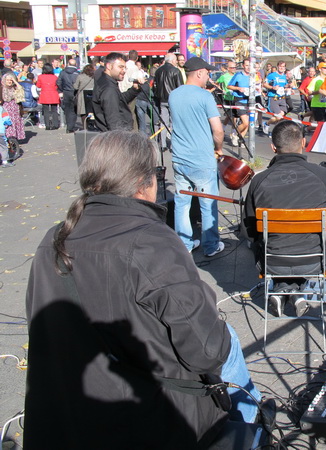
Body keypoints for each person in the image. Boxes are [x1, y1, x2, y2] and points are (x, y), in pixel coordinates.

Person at [24, 130, 265, 449]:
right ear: (143, 182)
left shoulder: (54, 239)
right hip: (149, 417)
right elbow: (208, 351)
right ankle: (252, 425)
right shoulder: (151, 242)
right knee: (227, 339)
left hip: (67, 416)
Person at [243, 121, 326, 317]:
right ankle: (296, 292)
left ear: (273, 147)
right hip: (314, 261)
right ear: (303, 142)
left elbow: (249, 233)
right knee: (308, 241)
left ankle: (281, 290)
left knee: (267, 243)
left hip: (272, 262)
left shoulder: (259, 180)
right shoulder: (323, 175)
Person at [169, 57, 225, 256]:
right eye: (207, 73)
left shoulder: (173, 95)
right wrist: (219, 148)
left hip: (179, 157)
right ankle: (211, 246)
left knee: (182, 204)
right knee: (208, 204)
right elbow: (218, 130)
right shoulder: (205, 96)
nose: (208, 77)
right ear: (199, 73)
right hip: (201, 159)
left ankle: (184, 244)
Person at [92, 52, 146, 132]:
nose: (124, 71)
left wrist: (134, 89)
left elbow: (120, 100)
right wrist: (120, 137)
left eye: (125, 68)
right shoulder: (108, 88)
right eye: (120, 67)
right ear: (109, 66)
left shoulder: (107, 82)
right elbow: (113, 120)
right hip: (116, 135)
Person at [153, 53, 184, 149]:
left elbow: (155, 86)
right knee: (174, 123)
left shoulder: (158, 71)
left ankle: (163, 144)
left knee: (163, 122)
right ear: (173, 60)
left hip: (162, 99)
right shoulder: (176, 71)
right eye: (176, 60)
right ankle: (173, 145)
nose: (176, 62)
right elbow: (180, 87)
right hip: (173, 99)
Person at [263, 60, 289, 134]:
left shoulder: (285, 76)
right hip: (273, 97)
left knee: (281, 116)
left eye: (283, 66)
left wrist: (288, 88)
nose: (282, 68)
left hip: (282, 98)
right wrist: (272, 87)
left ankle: (275, 131)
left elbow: (286, 85)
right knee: (278, 117)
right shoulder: (272, 75)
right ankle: (267, 124)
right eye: (280, 66)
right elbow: (264, 84)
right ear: (277, 67)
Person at [57, 58, 80, 133]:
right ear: (76, 64)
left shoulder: (63, 72)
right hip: (75, 92)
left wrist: (61, 90)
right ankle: (71, 126)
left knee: (67, 109)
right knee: (74, 109)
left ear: (68, 64)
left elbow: (58, 82)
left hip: (66, 92)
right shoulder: (77, 73)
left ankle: (69, 126)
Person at [1, 72, 25, 140]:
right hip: (6, 107)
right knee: (9, 122)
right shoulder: (2, 88)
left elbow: (21, 89)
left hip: (15, 106)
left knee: (16, 121)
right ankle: (10, 137)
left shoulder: (14, 87)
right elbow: (4, 98)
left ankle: (16, 137)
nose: (9, 82)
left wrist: (15, 81)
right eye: (7, 80)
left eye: (10, 80)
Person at [35, 63, 60, 130]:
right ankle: (55, 124)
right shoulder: (55, 77)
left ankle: (47, 125)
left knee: (46, 111)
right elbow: (57, 86)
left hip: (45, 94)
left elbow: (38, 85)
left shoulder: (40, 77)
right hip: (53, 94)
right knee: (54, 110)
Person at [73, 65, 95, 129]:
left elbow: (75, 87)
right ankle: (91, 125)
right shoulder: (94, 77)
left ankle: (85, 127)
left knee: (83, 112)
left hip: (82, 95)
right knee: (91, 111)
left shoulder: (80, 76)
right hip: (92, 95)